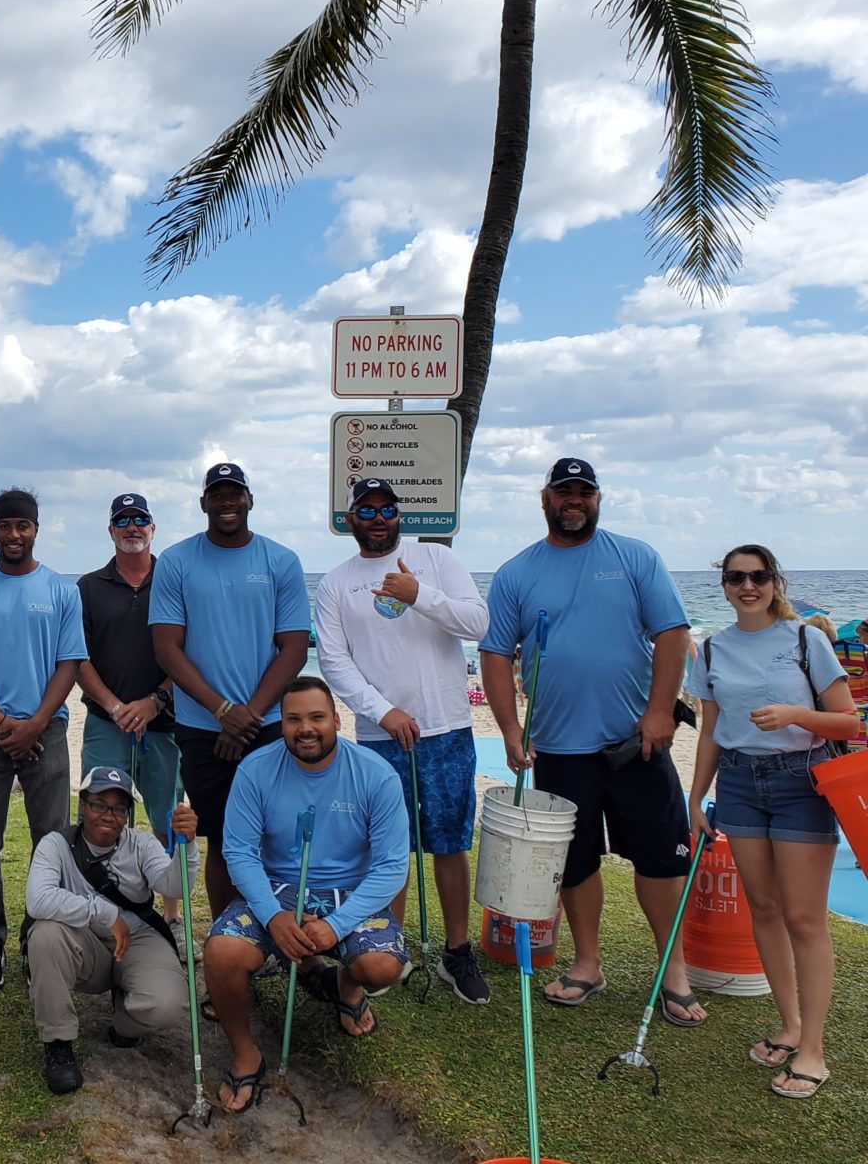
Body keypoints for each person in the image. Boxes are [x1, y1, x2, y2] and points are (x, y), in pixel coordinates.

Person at [480, 458, 703, 1022]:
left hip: (638, 743)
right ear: (545, 500)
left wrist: (659, 713)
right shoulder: (515, 573)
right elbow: (494, 655)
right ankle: (587, 964)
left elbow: (673, 635)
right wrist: (509, 728)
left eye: (584, 491)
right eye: (563, 492)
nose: (573, 500)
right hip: (557, 747)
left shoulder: (635, 557)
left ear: (598, 498)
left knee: (660, 860)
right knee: (575, 865)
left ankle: (672, 971)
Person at [686, 545, 857, 1099]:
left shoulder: (807, 640)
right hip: (738, 782)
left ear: (775, 581)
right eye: (736, 577)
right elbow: (711, 727)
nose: (747, 586)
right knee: (762, 907)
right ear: (725, 587)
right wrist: (696, 797)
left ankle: (813, 1050)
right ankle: (789, 1027)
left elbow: (848, 720)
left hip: (800, 780)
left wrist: (795, 716)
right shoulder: (712, 649)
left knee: (804, 918)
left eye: (758, 576)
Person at [315, 477, 491, 1003]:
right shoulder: (335, 582)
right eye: (365, 511)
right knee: (387, 846)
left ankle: (456, 952)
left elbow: (478, 623)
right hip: (379, 735)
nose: (377, 518)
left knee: (451, 841)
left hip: (446, 727)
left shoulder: (435, 561)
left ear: (399, 514)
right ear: (350, 520)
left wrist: (421, 596)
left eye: (386, 508)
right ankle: (388, 946)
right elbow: (333, 660)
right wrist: (381, 710)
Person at [204, 677, 409, 1111]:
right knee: (221, 953)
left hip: (349, 891)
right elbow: (238, 851)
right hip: (278, 888)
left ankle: (347, 986)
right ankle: (246, 1053)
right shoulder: (255, 769)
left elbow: (393, 865)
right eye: (293, 719)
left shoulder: (376, 775)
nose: (305, 728)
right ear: (282, 724)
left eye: (317, 717)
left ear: (336, 719)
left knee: (381, 966)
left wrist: (335, 926)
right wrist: (274, 917)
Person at [150, 462, 310, 918]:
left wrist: (247, 717)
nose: (226, 502)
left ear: (249, 500)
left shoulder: (281, 561)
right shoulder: (178, 561)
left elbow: (294, 648)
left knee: (274, 836)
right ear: (203, 503)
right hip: (202, 727)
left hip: (269, 725)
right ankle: (228, 933)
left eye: (234, 493)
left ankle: (276, 932)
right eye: (216, 494)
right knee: (222, 837)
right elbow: (167, 648)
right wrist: (223, 711)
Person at [0, 487, 87, 992]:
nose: (14, 534)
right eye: (5, 525)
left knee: (51, 843)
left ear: (35, 528)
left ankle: (41, 939)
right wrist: (2, 723)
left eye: (22, 526)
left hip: (45, 730)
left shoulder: (61, 590)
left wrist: (32, 723)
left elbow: (69, 663)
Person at [24, 766, 199, 1094]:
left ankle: (125, 1023)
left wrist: (187, 846)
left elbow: (174, 885)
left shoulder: (143, 844)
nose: (109, 815)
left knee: (166, 1005)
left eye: (119, 808)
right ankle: (58, 1042)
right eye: (99, 804)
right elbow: (38, 899)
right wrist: (104, 913)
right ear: (82, 805)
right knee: (45, 934)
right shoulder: (55, 845)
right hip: (83, 940)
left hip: (138, 938)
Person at [76, 492, 179, 922]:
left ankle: (171, 917)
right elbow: (76, 658)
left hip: (166, 723)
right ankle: (105, 911)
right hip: (105, 723)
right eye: (123, 520)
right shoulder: (88, 587)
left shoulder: (175, 581)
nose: (132, 526)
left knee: (167, 819)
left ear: (153, 528)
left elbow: (192, 651)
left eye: (140, 519)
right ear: (111, 530)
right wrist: (117, 706)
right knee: (101, 815)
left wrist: (155, 701)